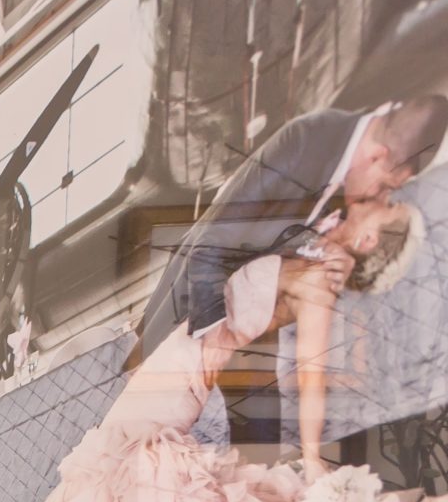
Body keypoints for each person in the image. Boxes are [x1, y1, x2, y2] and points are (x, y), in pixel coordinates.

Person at [0, 198, 448, 502]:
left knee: (125, 479)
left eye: (384, 208)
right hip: (172, 364)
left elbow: (311, 375)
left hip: (181, 376)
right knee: (112, 476)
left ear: (368, 241)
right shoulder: (313, 248)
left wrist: (315, 458)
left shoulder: (321, 279)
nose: (371, 201)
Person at [136, 97, 447, 385]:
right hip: (186, 313)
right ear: (378, 156)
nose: (378, 198)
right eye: (384, 187)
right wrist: (210, 336)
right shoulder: (307, 140)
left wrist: (333, 257)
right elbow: (216, 239)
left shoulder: (347, 188)